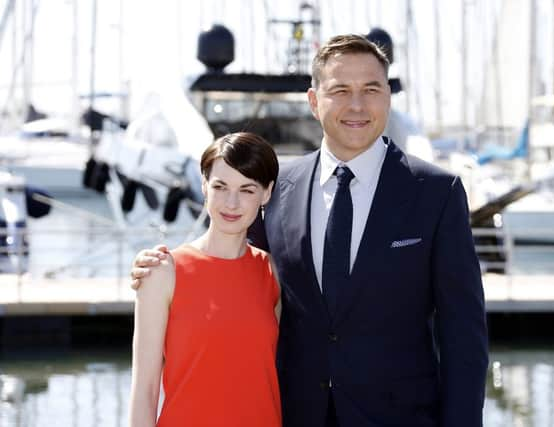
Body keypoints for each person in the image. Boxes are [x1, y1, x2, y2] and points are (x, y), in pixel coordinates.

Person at [132, 34, 489, 427]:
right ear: (314, 102)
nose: (357, 105)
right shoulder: (279, 188)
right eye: (340, 90)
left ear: (387, 95)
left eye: (370, 89)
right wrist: (163, 267)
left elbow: (464, 339)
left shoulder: (437, 193)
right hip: (294, 415)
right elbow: (239, 274)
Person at [128, 132, 281, 427]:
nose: (231, 202)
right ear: (204, 187)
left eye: (247, 190)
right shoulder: (162, 272)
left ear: (267, 193)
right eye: (220, 186)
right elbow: (144, 389)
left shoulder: (273, 272)